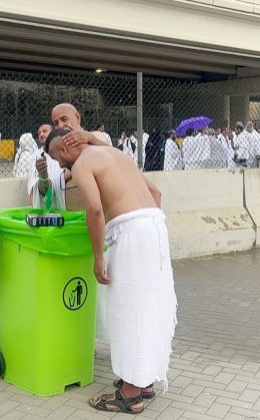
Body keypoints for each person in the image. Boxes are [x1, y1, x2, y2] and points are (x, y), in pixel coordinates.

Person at [45, 128, 176, 414]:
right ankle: (144, 381)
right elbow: (155, 192)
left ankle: (129, 395)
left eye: (57, 159)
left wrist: (97, 256)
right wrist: (147, 229)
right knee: (148, 305)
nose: (60, 166)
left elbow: (94, 210)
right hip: (155, 225)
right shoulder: (117, 154)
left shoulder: (81, 164)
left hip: (132, 232)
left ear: (64, 149)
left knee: (129, 309)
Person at [27, 123, 66, 210]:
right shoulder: (36, 156)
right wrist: (43, 175)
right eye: (39, 133)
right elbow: (32, 183)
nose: (41, 134)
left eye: (44, 131)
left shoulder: (63, 153)